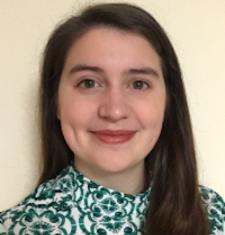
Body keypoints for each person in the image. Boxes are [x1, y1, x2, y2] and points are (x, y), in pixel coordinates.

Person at [0, 2, 224, 235]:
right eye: (88, 83)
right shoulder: (14, 229)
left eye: (139, 84)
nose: (114, 111)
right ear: (55, 102)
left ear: (169, 101)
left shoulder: (212, 213)